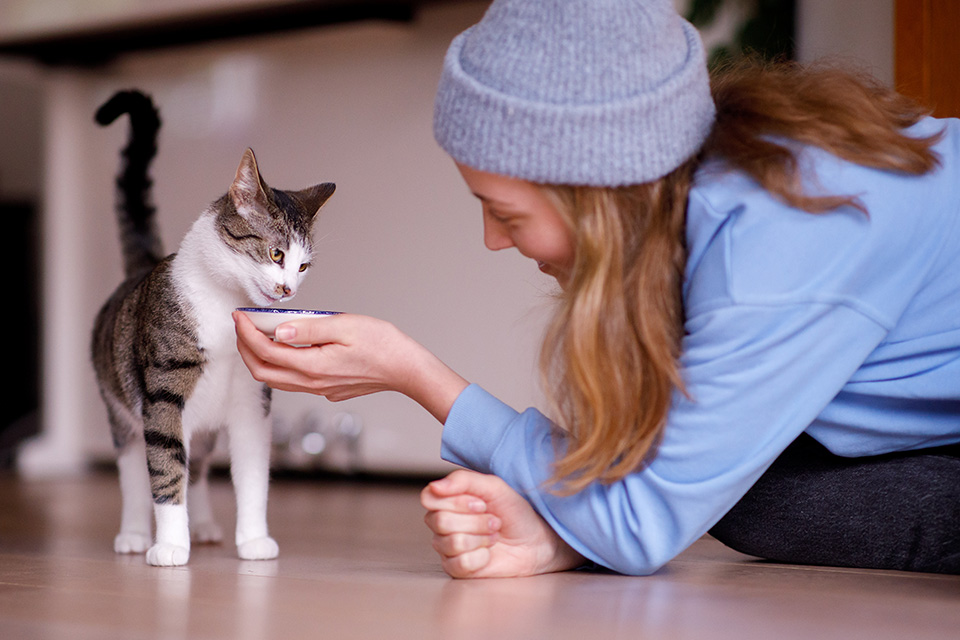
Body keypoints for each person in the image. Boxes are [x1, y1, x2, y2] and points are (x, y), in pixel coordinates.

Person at [233, 0, 960, 578]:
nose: (492, 240)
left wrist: (414, 373)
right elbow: (651, 474)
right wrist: (582, 527)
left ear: (600, 195)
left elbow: (643, 519)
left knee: (735, 495)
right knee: (742, 490)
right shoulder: (708, 186)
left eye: (506, 213)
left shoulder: (776, 246)